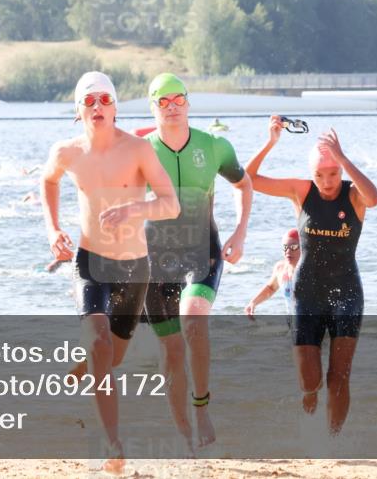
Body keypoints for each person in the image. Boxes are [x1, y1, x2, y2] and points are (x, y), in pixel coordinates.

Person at [70, 72, 253, 451]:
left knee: (194, 319)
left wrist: (240, 232)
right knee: (169, 351)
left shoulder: (215, 146)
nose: (171, 107)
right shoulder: (138, 149)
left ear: (188, 102)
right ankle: (185, 436)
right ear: (152, 108)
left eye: (178, 99)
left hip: (202, 250)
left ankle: (201, 407)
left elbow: (244, 183)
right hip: (153, 261)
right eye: (161, 101)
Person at [40, 71, 180, 474]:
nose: (97, 107)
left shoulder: (137, 150)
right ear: (78, 110)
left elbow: (170, 204)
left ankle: (86, 365)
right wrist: (53, 229)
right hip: (90, 262)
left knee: (112, 355)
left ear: (116, 107)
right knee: (101, 344)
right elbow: (47, 181)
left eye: (104, 100)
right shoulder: (67, 152)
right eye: (89, 101)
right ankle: (112, 445)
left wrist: (133, 209)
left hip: (134, 267)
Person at [245, 117, 377, 436]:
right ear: (311, 174)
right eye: (320, 174)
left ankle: (333, 441)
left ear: (342, 171)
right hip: (308, 294)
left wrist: (344, 157)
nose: (328, 181)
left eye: (333, 173)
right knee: (310, 382)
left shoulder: (354, 195)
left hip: (346, 292)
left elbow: (374, 199)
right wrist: (271, 142)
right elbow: (248, 178)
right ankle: (309, 407)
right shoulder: (301, 191)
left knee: (339, 377)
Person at [245, 229, 301, 319]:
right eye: (285, 247)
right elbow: (271, 288)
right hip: (293, 323)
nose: (288, 251)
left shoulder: (312, 269)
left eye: (293, 247)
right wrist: (253, 303)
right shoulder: (281, 268)